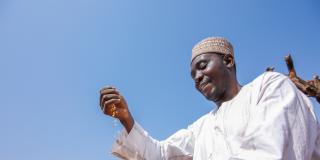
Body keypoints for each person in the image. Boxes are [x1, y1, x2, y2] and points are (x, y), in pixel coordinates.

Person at [99, 37, 320, 160]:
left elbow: (276, 152)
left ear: (229, 61)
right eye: (193, 75)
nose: (197, 77)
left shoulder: (270, 85)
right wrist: (126, 119)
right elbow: (161, 154)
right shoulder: (202, 127)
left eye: (202, 66)